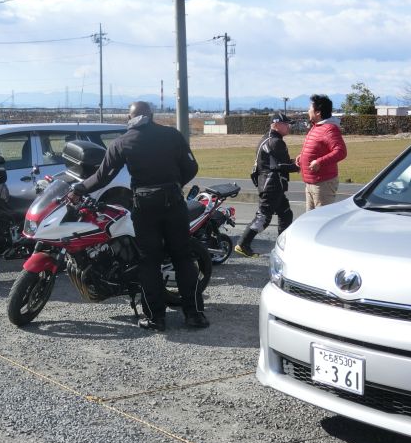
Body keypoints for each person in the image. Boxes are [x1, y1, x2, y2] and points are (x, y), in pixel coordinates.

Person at [71, 101, 208, 332]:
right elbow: (191, 167)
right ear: (151, 115)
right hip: (173, 202)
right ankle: (194, 316)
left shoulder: (122, 141)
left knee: (149, 261)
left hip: (145, 206)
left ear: (129, 118)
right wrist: (175, 184)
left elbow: (102, 177)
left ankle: (156, 319)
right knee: (183, 258)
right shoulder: (171, 135)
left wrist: (78, 189)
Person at [235, 112, 299, 258]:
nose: (288, 127)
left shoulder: (269, 139)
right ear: (276, 125)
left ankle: (283, 245)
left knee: (286, 214)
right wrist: (298, 166)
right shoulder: (275, 142)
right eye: (285, 124)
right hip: (271, 186)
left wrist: (295, 162)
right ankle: (243, 244)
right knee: (263, 218)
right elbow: (280, 166)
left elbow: (279, 162)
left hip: (272, 185)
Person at [297, 94, 347, 211]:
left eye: (310, 108)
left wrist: (319, 162)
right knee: (311, 219)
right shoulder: (317, 127)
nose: (308, 111)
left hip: (322, 183)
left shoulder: (329, 129)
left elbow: (341, 151)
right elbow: (317, 149)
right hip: (312, 183)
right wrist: (302, 157)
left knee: (322, 218)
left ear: (318, 112)